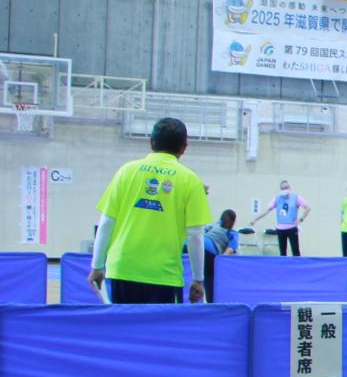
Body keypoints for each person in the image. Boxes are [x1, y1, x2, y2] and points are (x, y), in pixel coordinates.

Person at [91, 117, 212, 304]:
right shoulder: (191, 181)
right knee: (160, 333)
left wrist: (97, 265)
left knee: (126, 331)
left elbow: (106, 221)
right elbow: (195, 234)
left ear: (152, 142)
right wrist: (197, 279)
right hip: (164, 275)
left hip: (123, 269)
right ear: (184, 147)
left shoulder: (126, 171)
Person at [251, 180, 310, 256]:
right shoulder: (277, 198)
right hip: (280, 229)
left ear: (289, 188)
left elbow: (308, 208)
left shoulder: (296, 197)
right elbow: (266, 211)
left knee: (295, 251)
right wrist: (255, 219)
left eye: (286, 187)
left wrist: (300, 219)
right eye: (283, 188)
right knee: (282, 252)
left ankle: (297, 266)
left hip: (292, 227)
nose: (285, 190)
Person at [201, 209, 239, 293]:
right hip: (210, 250)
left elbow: (201, 231)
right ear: (233, 222)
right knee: (209, 277)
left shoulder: (213, 225)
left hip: (196, 244)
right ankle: (210, 301)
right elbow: (229, 251)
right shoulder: (232, 233)